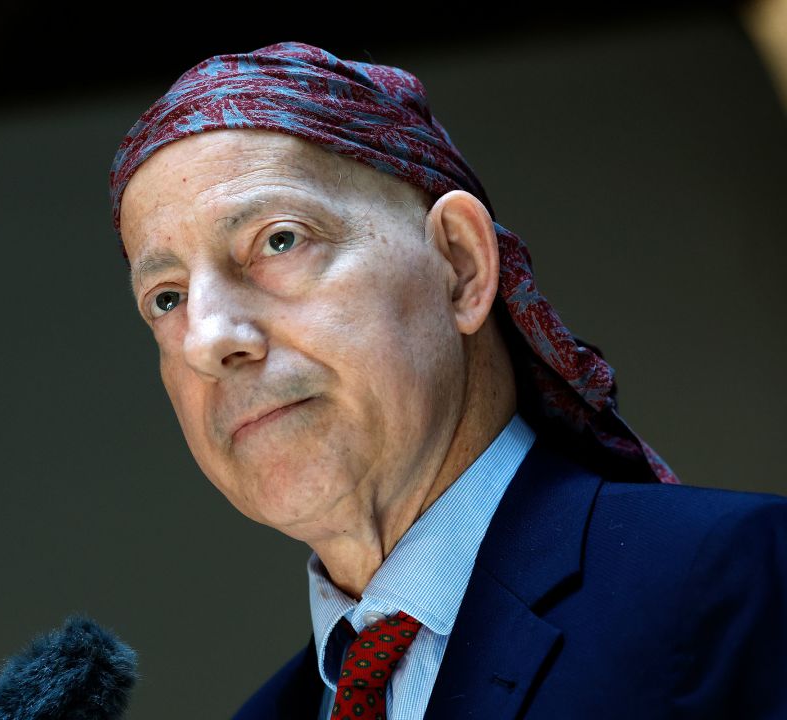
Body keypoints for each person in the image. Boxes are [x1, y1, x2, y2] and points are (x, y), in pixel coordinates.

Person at [106, 41, 787, 719]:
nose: (208, 338)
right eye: (167, 298)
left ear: (459, 264)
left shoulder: (735, 579)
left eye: (279, 240)